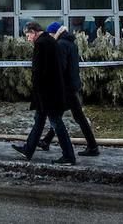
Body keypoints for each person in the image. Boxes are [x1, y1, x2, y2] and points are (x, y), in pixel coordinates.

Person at [13, 21, 76, 165]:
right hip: (52, 91)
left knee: (56, 123)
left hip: (47, 93)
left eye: (28, 35)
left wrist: (35, 86)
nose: (28, 38)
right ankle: (28, 149)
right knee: (39, 120)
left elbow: (38, 69)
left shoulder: (41, 44)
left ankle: (68, 156)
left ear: (34, 32)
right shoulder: (51, 41)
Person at [38, 22, 100, 157]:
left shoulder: (60, 44)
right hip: (72, 84)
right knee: (58, 115)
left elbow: (60, 67)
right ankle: (46, 141)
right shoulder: (70, 42)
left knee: (74, 117)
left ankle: (93, 146)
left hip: (66, 87)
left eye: (50, 35)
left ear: (54, 33)